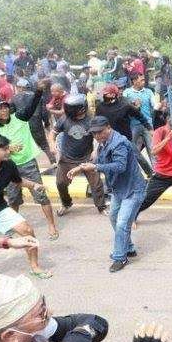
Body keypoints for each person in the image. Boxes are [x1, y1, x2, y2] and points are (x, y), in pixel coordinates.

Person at [67, 116, 146, 273]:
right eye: (94, 133)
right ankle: (128, 247)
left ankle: (120, 257)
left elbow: (120, 166)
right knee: (113, 217)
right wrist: (81, 167)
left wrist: (95, 167)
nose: (97, 136)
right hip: (119, 188)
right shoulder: (103, 142)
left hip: (132, 189)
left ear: (108, 128)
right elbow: (96, 159)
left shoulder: (119, 143)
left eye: (100, 132)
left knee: (122, 223)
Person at [0, 80, 59, 241]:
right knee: (13, 199)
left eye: (5, 107)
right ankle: (12, 227)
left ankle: (51, 225)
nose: (4, 111)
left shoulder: (19, 117)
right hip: (8, 166)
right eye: (0, 109)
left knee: (40, 194)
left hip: (28, 163)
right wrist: (7, 149)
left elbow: (32, 105)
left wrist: (39, 91)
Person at [0, 134, 51, 278]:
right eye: (5, 149)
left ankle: (35, 267)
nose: (9, 151)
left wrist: (34, 185)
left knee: (27, 230)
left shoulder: (9, 165)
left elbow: (18, 181)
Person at [0, 270, 109, 342]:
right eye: (41, 314)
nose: (49, 313)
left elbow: (97, 322)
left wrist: (79, 336)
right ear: (10, 336)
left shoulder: (32, 332)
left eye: (43, 307)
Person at [51, 94, 107, 217]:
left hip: (87, 157)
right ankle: (66, 204)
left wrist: (96, 150)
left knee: (96, 183)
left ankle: (101, 206)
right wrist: (52, 145)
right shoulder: (65, 119)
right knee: (61, 183)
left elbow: (101, 137)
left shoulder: (91, 120)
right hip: (66, 158)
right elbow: (53, 132)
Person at [94, 84, 153, 175]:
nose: (104, 95)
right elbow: (96, 121)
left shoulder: (125, 105)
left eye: (106, 94)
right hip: (107, 139)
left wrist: (149, 127)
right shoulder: (100, 107)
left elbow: (139, 116)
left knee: (138, 157)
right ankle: (98, 180)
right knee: (98, 158)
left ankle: (150, 174)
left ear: (113, 95)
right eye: (104, 94)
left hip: (124, 139)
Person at [12, 77, 56, 167]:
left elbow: (12, 113)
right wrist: (47, 124)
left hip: (22, 125)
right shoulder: (37, 96)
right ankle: (53, 162)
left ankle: (27, 164)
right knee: (44, 144)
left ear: (20, 87)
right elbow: (44, 112)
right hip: (36, 123)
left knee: (24, 145)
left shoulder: (15, 98)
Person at [123, 74, 156, 170]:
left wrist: (159, 106)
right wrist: (132, 104)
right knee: (133, 149)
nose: (144, 81)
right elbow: (124, 105)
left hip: (148, 125)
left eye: (144, 80)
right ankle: (134, 170)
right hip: (133, 125)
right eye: (141, 80)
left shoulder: (149, 92)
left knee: (152, 148)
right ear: (134, 81)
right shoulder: (127, 93)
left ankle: (156, 172)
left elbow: (154, 105)